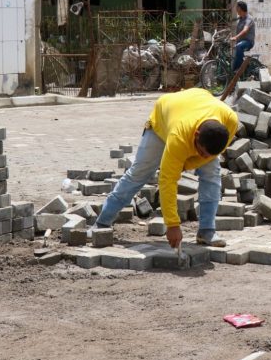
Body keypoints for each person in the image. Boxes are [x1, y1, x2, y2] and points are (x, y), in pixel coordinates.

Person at [87, 88, 238, 248]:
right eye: (200, 152)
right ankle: (102, 223)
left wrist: (186, 164)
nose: (204, 157)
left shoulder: (230, 121)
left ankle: (207, 230)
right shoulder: (179, 136)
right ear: (196, 135)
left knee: (212, 173)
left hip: (194, 104)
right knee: (139, 173)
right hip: (162, 121)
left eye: (207, 154)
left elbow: (212, 155)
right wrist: (172, 224)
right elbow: (167, 180)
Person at [230, 1, 255, 72]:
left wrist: (236, 37)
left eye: (237, 8)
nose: (236, 10)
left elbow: (245, 30)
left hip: (248, 42)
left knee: (238, 46)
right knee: (234, 56)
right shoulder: (241, 18)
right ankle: (234, 73)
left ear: (240, 9)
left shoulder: (249, 19)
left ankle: (239, 69)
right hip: (240, 42)